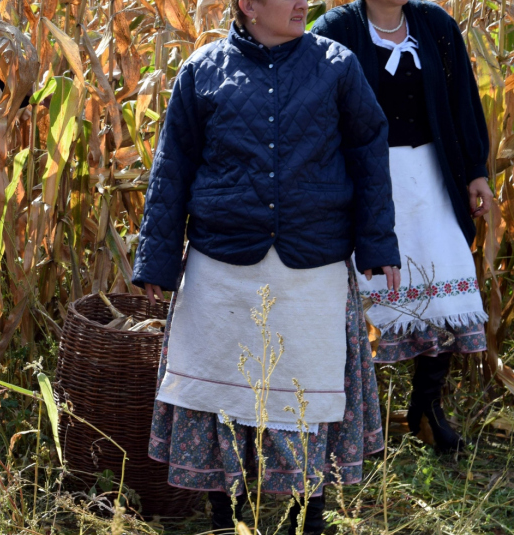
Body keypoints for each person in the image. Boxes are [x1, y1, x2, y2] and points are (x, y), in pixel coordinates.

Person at [131, 0, 401, 531]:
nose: (304, 2)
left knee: (305, 401)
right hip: (221, 271)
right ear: (248, 5)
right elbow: (171, 170)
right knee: (222, 404)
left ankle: (309, 521)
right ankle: (227, 520)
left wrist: (377, 243)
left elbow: (370, 154)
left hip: (312, 270)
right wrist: (157, 262)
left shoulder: (337, 65)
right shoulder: (202, 71)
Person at [311, 0, 492, 454]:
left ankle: (425, 410)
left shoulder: (434, 25)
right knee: (362, 294)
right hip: (367, 181)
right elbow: (313, 108)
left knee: (443, 288)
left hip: (434, 176)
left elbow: (463, 100)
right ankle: (354, 418)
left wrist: (475, 172)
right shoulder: (336, 29)